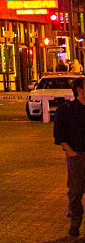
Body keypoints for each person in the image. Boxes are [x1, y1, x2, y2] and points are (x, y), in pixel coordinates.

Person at [54, 76, 85, 238]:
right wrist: (70, 151)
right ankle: (75, 221)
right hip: (77, 155)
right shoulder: (66, 110)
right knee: (75, 191)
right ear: (79, 89)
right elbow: (59, 135)